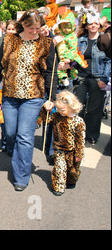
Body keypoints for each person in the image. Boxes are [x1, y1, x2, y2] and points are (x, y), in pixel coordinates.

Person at [0, 9, 58, 192]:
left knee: (25, 136)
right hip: (10, 95)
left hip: (33, 96)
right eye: (31, 28)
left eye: (38, 28)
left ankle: (21, 175)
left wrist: (51, 97)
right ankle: (18, 159)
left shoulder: (46, 43)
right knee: (11, 133)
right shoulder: (8, 40)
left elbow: (51, 71)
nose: (35, 31)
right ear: (24, 25)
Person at [72, 11, 111, 145]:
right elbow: (75, 58)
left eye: (95, 23)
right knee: (78, 107)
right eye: (90, 23)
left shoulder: (104, 39)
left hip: (97, 78)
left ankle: (92, 135)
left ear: (99, 25)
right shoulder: (80, 40)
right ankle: (79, 134)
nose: (93, 26)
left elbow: (108, 60)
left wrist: (104, 79)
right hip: (81, 77)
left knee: (95, 109)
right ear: (86, 26)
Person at [37, 90, 85, 196]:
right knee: (59, 168)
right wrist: (45, 109)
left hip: (72, 151)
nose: (59, 111)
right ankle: (58, 187)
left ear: (71, 107)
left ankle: (71, 181)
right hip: (59, 149)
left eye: (62, 109)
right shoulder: (56, 116)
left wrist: (79, 154)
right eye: (57, 109)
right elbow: (45, 119)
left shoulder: (78, 121)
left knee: (73, 171)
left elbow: (80, 140)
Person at [53, 12, 88, 87]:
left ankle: (70, 77)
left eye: (68, 27)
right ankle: (65, 78)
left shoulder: (72, 37)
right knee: (60, 69)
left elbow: (73, 50)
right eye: (64, 27)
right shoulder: (59, 36)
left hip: (68, 58)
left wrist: (69, 59)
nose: (66, 30)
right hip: (61, 59)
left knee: (64, 69)